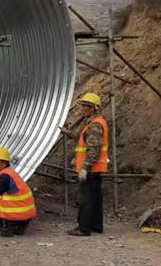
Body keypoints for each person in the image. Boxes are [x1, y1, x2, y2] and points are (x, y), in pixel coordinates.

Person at [64, 92, 109, 237]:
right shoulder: (93, 124)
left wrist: (85, 167)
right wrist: (70, 134)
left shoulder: (95, 125)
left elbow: (94, 149)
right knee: (94, 197)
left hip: (90, 168)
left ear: (94, 108)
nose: (83, 109)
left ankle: (83, 228)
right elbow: (85, 139)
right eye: (83, 106)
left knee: (86, 198)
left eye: (87, 106)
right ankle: (96, 225)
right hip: (95, 168)